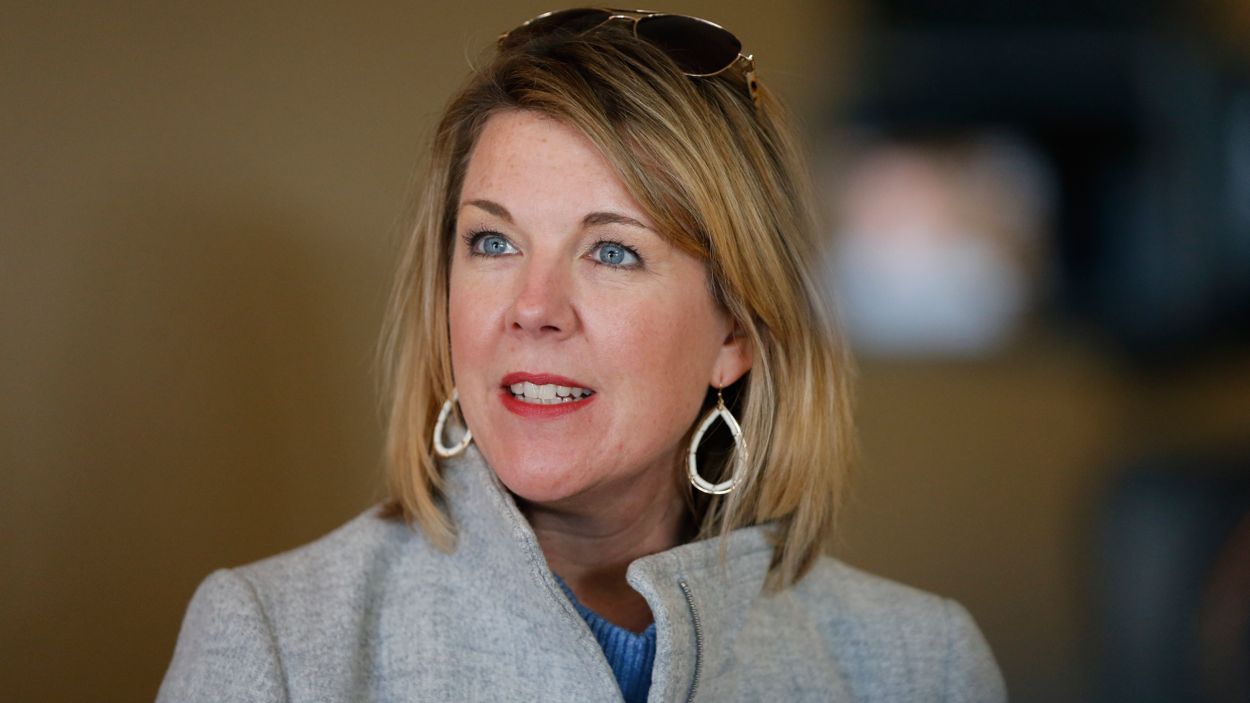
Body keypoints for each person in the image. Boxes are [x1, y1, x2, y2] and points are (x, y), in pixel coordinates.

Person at [158, 8, 1007, 702]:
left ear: (737, 334)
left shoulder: (918, 665)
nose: (532, 308)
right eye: (493, 242)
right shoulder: (275, 639)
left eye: (612, 251)